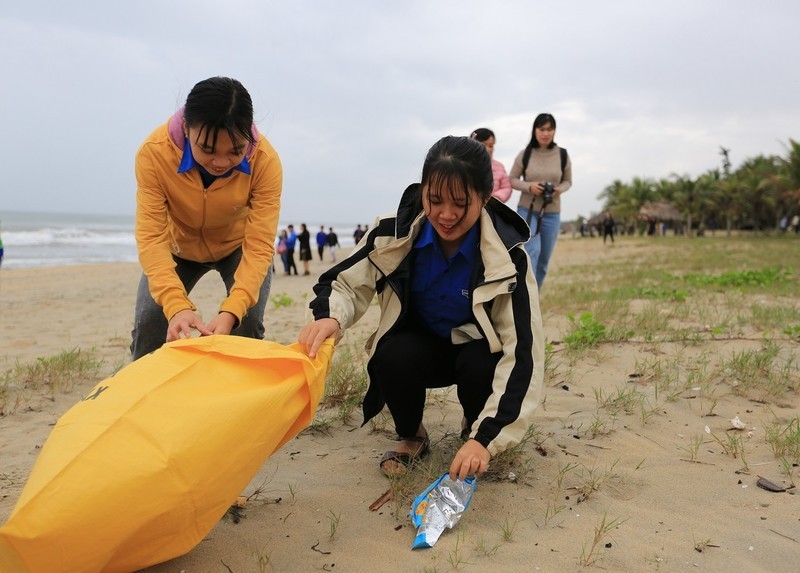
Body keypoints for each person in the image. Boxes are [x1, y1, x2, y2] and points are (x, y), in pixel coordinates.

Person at [298, 136, 544, 482]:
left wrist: (486, 439)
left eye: (461, 203)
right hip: (418, 348)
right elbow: (343, 283)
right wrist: (330, 317)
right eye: (435, 199)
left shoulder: (509, 257)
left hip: (474, 351)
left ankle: (473, 428)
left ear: (485, 198)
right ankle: (413, 434)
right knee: (391, 354)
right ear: (422, 189)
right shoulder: (392, 233)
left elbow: (524, 354)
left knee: (482, 364)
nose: (446, 214)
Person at [130, 76, 282, 361]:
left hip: (237, 247)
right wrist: (177, 307)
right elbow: (151, 237)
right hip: (180, 249)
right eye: (208, 149)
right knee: (150, 323)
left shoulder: (266, 162)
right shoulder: (153, 154)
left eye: (236, 150)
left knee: (246, 323)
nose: (221, 162)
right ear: (187, 128)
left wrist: (231, 312)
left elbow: (260, 244)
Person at [509, 113, 572, 289]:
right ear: (535, 130)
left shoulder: (563, 155)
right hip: (527, 211)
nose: (545, 133)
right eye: (542, 129)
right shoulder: (525, 154)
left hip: (552, 213)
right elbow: (512, 179)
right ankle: (527, 298)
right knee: (532, 253)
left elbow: (568, 181)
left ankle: (534, 298)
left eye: (549, 129)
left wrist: (560, 189)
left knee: (543, 261)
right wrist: (530, 187)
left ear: (554, 131)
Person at [470, 128, 511, 203]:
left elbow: (507, 188)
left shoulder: (499, 166)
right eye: (483, 145)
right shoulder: (465, 164)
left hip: (493, 207)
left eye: (491, 146)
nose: (487, 149)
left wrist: (495, 198)